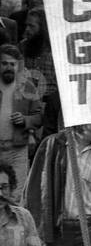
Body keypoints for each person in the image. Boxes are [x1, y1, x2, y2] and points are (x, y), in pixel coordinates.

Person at [0, 45, 41, 189]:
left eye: (12, 64)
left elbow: (39, 116)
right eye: (4, 63)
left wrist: (25, 120)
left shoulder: (27, 86)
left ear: (18, 66)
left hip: (18, 150)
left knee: (17, 194)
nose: (9, 67)